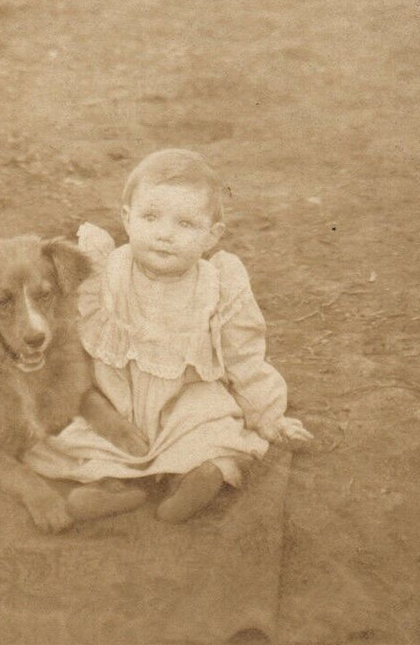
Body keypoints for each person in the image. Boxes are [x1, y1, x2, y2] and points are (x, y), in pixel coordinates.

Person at [24, 148, 312, 523]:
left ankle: (193, 480)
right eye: (151, 217)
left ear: (212, 236)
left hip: (183, 398)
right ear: (127, 219)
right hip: (116, 401)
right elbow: (69, 334)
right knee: (83, 437)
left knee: (214, 423)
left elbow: (244, 355)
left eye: (186, 225)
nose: (164, 235)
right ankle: (110, 489)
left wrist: (267, 414)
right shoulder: (103, 271)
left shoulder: (218, 284)